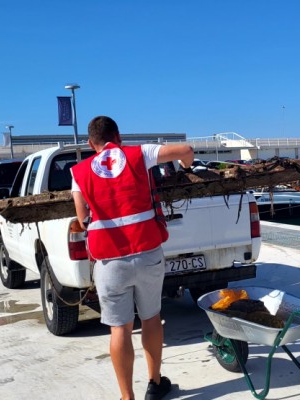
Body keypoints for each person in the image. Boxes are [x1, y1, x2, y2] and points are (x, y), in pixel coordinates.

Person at [71, 116, 194, 400]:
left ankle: (127, 397)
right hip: (147, 252)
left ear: (92, 144)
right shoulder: (140, 153)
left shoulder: (79, 171)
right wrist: (187, 168)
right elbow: (186, 151)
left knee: (120, 329)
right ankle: (154, 383)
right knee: (151, 318)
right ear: (119, 137)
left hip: (111, 261)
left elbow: (82, 217)